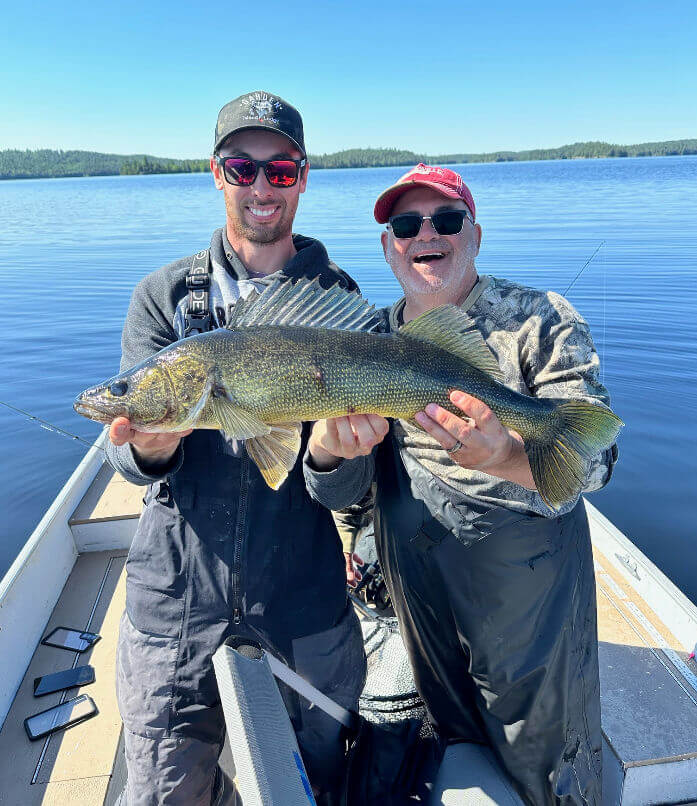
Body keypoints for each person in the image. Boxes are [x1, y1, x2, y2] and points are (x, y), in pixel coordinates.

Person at [304, 164, 619, 804]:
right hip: (414, 578)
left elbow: (598, 461)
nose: (428, 234)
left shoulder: (537, 319)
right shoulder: (364, 339)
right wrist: (327, 457)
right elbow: (343, 495)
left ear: (474, 235)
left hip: (526, 589)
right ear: (388, 244)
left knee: (543, 756)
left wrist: (506, 456)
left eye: (447, 220)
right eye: (406, 224)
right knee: (444, 735)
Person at [105, 90, 366, 805]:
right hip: (178, 596)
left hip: (302, 596)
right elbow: (128, 460)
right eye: (240, 167)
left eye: (279, 170)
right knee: (165, 789)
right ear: (216, 174)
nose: (260, 186)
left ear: (303, 177)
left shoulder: (340, 303)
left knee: (315, 780)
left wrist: (336, 457)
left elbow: (349, 494)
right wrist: (150, 444)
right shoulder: (163, 298)